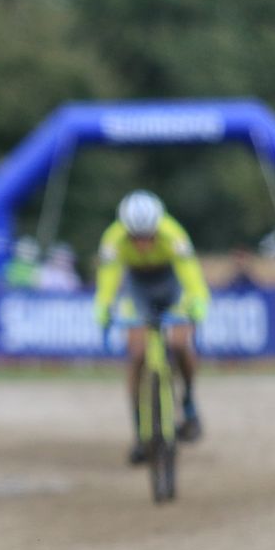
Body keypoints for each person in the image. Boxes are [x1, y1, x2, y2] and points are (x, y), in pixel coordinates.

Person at [93, 190, 210, 462]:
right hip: (138, 289)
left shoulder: (173, 234)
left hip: (172, 286)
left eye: (149, 236)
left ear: (158, 227)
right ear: (126, 231)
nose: (144, 243)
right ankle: (140, 434)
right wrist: (103, 305)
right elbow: (109, 276)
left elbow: (190, 273)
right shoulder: (113, 240)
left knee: (180, 343)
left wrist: (198, 301)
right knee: (137, 354)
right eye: (137, 237)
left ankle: (189, 404)